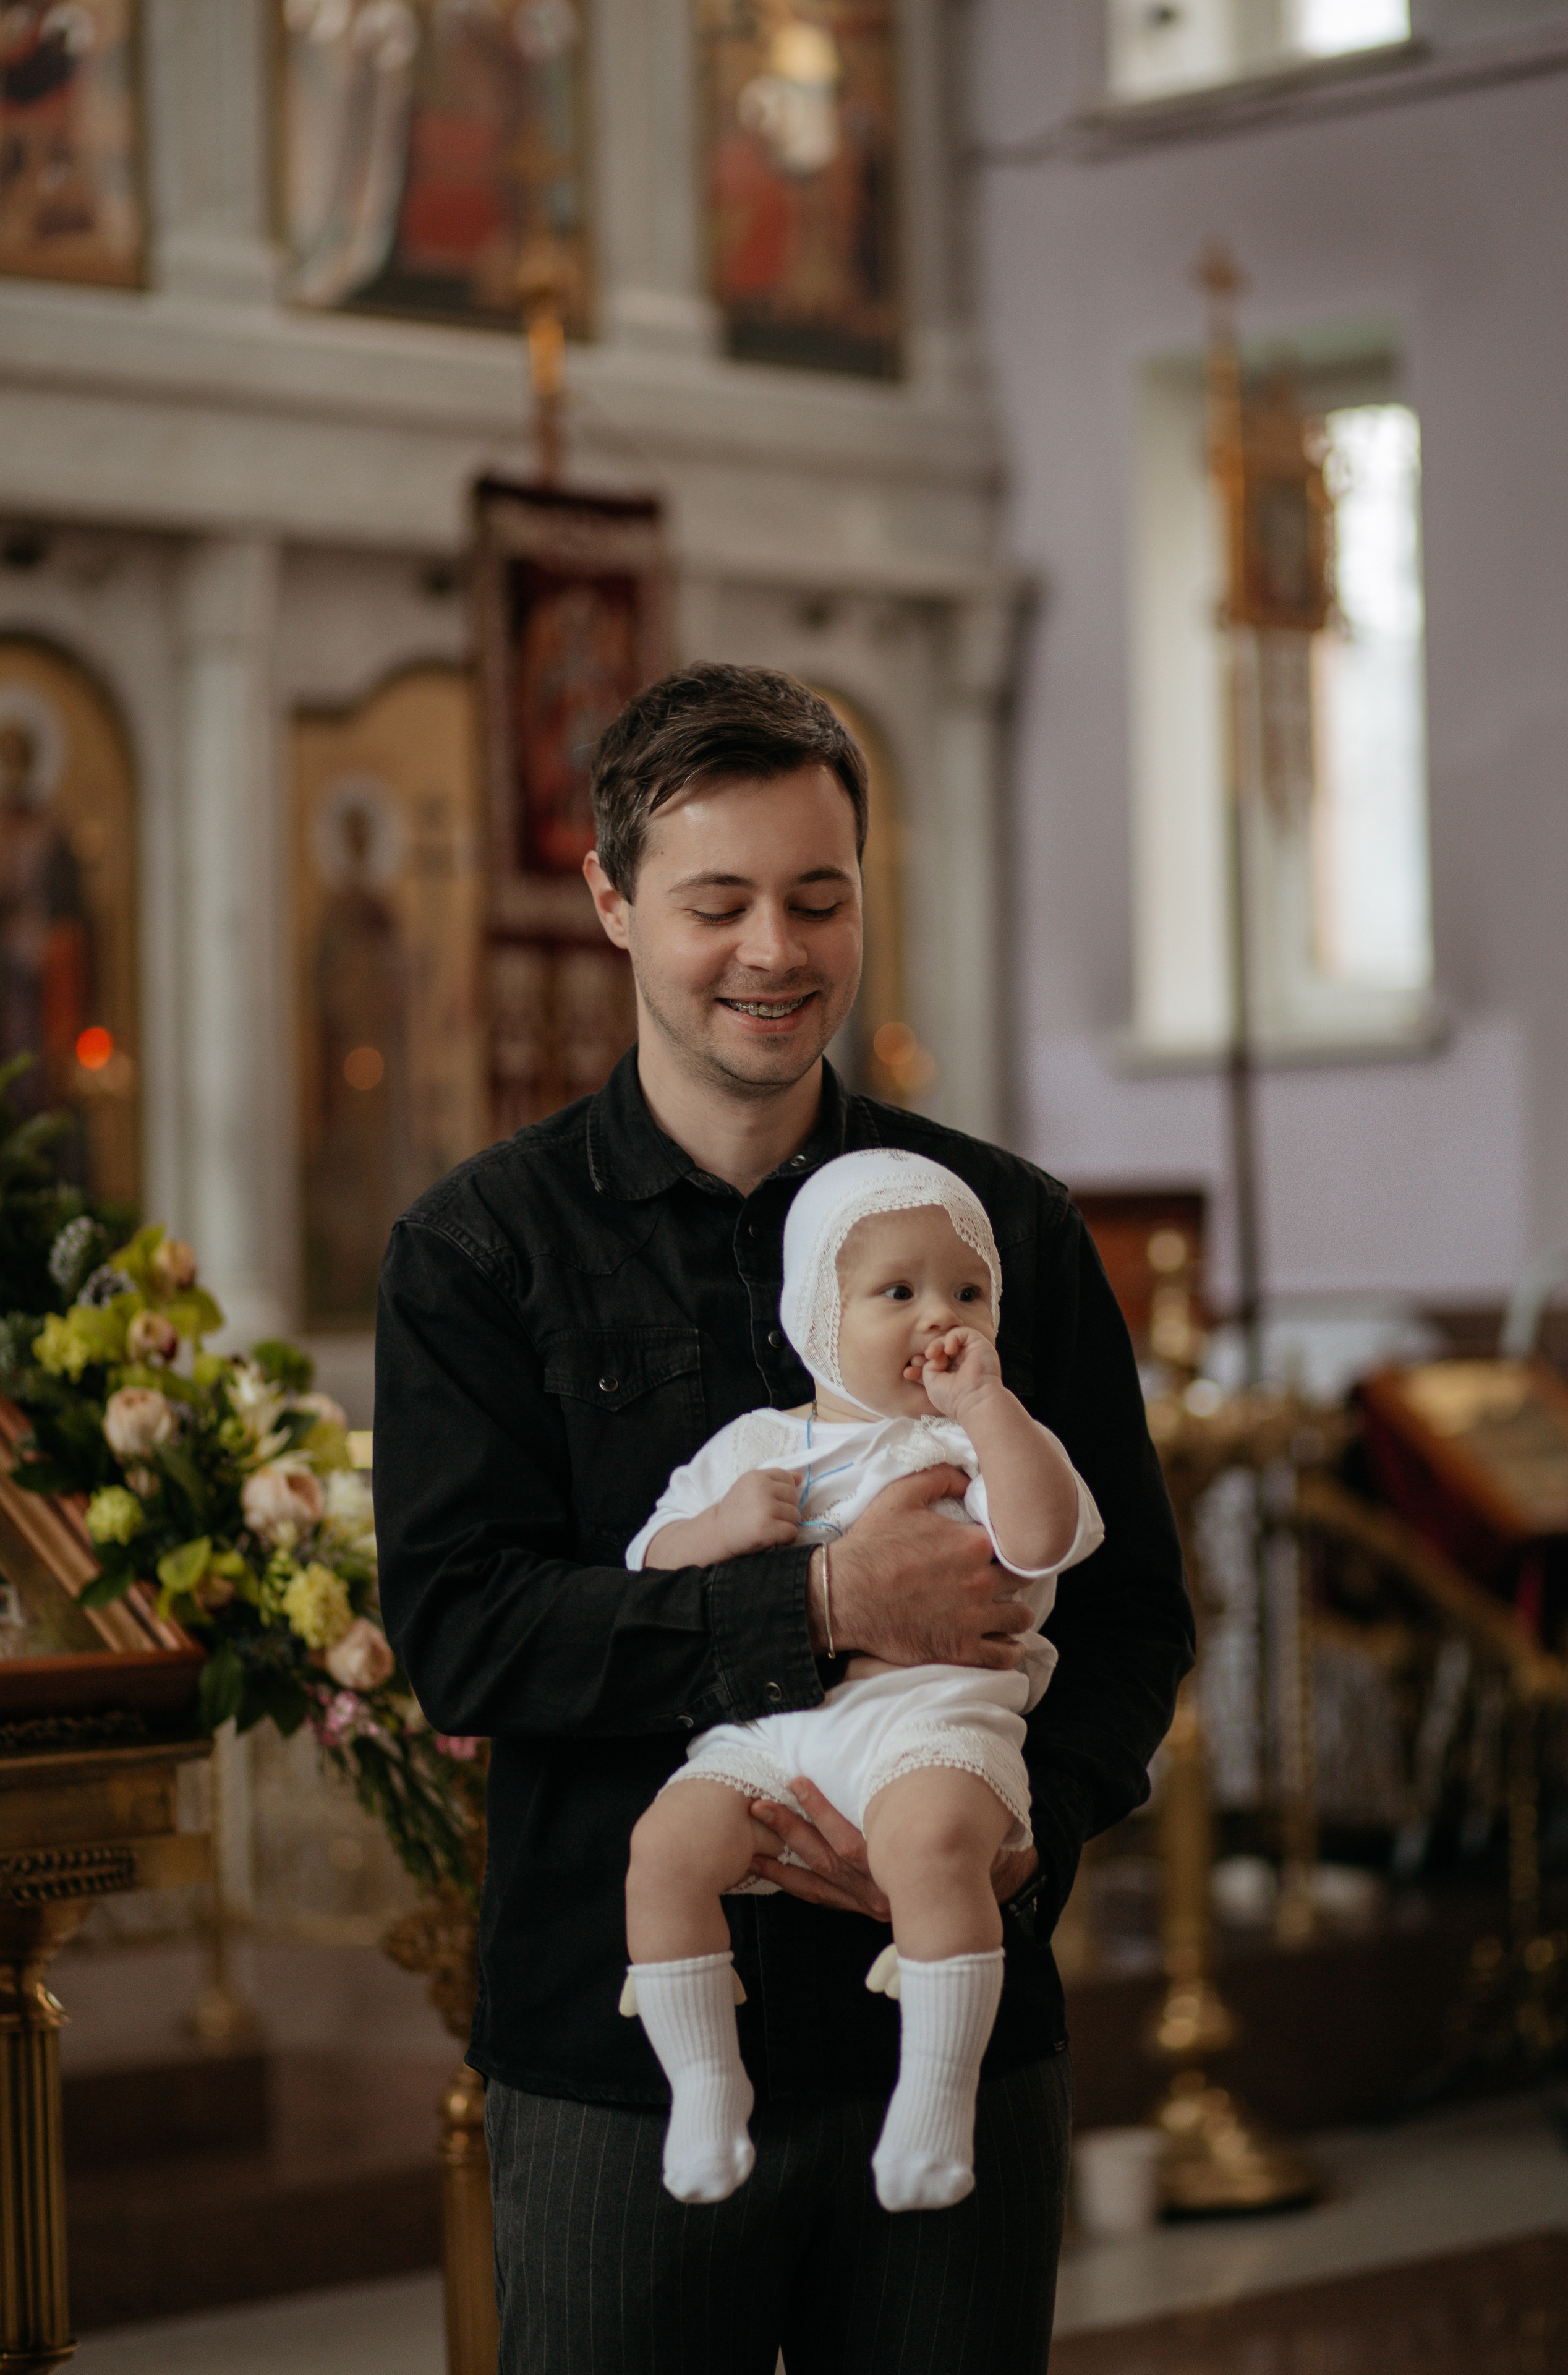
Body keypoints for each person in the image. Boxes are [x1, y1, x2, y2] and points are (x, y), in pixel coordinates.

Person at [375, 662, 1192, 2375]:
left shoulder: (1012, 1232)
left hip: (958, 2025)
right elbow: (467, 1637)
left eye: (819, 898)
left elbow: (1133, 1627)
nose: (776, 950)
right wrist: (823, 1601)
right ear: (610, 902)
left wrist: (1029, 1838)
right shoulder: (480, 1251)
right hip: (621, 2067)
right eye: (718, 902)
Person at [623, 1149, 1104, 2214]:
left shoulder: (985, 1446)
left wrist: (988, 1411)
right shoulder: (757, 1448)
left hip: (931, 1716)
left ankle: (935, 2098)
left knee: (932, 1845)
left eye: (968, 1292)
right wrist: (721, 1528)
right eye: (898, 1292)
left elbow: (1043, 1540)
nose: (943, 1318)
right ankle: (706, 2082)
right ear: (815, 1316)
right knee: (663, 1852)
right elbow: (647, 1565)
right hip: (771, 1727)